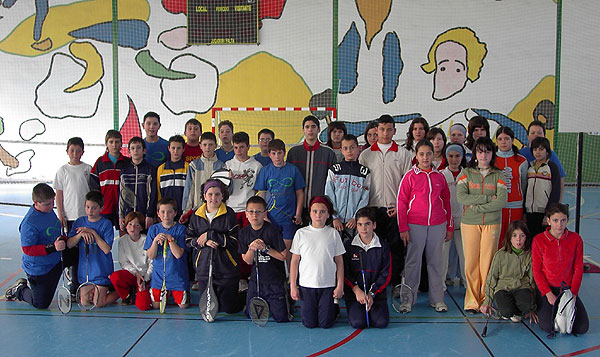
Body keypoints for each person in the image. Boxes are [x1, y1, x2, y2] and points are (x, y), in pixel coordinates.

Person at [396, 140, 453, 313]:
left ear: (433, 154)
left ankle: (437, 299)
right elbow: (401, 202)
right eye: (422, 154)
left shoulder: (440, 176)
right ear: (416, 155)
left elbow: (447, 203)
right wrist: (403, 228)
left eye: (429, 153)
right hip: (415, 225)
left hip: (437, 225)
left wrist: (449, 227)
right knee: (412, 263)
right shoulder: (409, 176)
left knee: (435, 263)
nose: (425, 157)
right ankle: (407, 300)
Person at [359, 114, 412, 285]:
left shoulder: (404, 154)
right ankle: (375, 283)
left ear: (394, 131)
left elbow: (408, 185)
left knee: (396, 249)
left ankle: (396, 282)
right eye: (382, 129)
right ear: (376, 130)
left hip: (395, 209)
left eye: (389, 129)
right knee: (374, 249)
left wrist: (400, 206)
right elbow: (361, 184)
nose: (385, 133)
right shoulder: (366, 155)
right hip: (373, 210)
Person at [457, 137, 507, 314]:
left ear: (492, 154)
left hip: (492, 224)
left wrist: (476, 206)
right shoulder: (466, 173)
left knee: (488, 262)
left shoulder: (499, 175)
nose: (483, 154)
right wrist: (487, 199)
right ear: (475, 154)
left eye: (487, 151)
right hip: (470, 224)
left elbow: (501, 201)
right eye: (480, 151)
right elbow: (462, 197)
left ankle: (486, 300)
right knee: (471, 262)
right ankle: (471, 301)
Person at [186, 180, 244, 314]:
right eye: (210, 194)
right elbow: (188, 240)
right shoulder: (196, 216)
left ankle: (245, 294)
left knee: (227, 309)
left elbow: (235, 240)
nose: (214, 198)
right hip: (204, 269)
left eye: (217, 194)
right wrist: (203, 242)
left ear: (223, 196)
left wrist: (211, 235)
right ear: (204, 196)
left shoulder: (229, 214)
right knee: (210, 308)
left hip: (227, 269)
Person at [5, 184, 65, 309]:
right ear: (36, 202)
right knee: (41, 304)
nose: (51, 206)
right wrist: (53, 247)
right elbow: (28, 249)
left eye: (52, 202)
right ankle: (20, 290)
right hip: (38, 269)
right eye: (47, 204)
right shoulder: (30, 223)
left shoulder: (48, 211)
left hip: (54, 263)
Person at [289, 196, 345, 328]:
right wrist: (293, 286)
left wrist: (339, 285)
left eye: (322, 211)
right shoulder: (301, 233)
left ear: (328, 214)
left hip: (327, 285)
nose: (318, 215)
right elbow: (294, 262)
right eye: (315, 211)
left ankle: (333, 309)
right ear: (309, 213)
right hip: (307, 285)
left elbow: (339, 262)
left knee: (325, 324)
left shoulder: (333, 234)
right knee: (309, 324)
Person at [532, 203, 588, 334]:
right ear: (548, 220)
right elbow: (537, 270)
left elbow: (578, 269)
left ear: (567, 220)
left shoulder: (576, 239)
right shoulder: (539, 240)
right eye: (555, 220)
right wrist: (548, 294)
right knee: (548, 326)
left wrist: (573, 294)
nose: (559, 224)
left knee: (582, 328)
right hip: (548, 290)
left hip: (567, 290)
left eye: (563, 220)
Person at [238, 196, 290, 322]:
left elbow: (283, 256)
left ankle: (288, 301)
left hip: (275, 281)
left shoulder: (272, 231)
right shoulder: (244, 233)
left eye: (258, 211)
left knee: (281, 318)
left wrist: (266, 249)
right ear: (246, 214)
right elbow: (247, 260)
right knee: (251, 315)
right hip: (256, 281)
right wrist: (251, 248)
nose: (254, 215)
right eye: (251, 211)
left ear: (264, 213)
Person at [254, 139, 305, 266]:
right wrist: (263, 215)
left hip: (288, 219)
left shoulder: (293, 170)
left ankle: (289, 279)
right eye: (273, 153)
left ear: (284, 153)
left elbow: (300, 193)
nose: (277, 156)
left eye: (279, 153)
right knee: (271, 250)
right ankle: (276, 276)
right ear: (269, 154)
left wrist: (298, 214)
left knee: (287, 252)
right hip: (270, 218)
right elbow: (261, 194)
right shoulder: (265, 171)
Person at [53, 137, 91, 297]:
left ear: (83, 152)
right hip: (69, 218)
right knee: (72, 252)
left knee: (86, 252)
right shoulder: (62, 170)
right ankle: (73, 284)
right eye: (72, 150)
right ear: (67, 151)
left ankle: (86, 282)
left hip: (85, 217)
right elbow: (59, 195)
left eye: (78, 150)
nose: (75, 153)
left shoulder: (88, 169)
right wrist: (61, 214)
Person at [67, 190, 117, 308]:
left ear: (101, 208)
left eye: (94, 208)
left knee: (98, 303)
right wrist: (80, 235)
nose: (90, 211)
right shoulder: (80, 222)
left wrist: (93, 233)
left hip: (101, 271)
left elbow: (106, 249)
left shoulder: (106, 224)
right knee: (84, 303)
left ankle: (123, 292)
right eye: (88, 207)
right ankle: (100, 292)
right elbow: (69, 244)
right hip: (85, 272)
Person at [343, 207, 391, 329]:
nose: (363, 228)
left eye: (367, 224)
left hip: (376, 295)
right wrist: (356, 290)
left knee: (381, 323)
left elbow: (386, 274)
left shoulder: (383, 246)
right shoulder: (348, 246)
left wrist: (372, 293)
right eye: (360, 224)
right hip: (356, 294)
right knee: (358, 323)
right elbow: (345, 272)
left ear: (374, 225)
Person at [480, 221, 536, 323]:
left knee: (527, 305)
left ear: (526, 237)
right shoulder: (500, 255)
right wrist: (487, 301)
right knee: (506, 311)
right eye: (514, 236)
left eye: (522, 236)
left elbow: (532, 278)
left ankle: (518, 311)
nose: (518, 239)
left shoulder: (529, 255)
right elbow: (492, 278)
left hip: (522, 287)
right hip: (503, 288)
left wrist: (532, 307)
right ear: (509, 237)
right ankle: (506, 310)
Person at [287, 115, 336, 222]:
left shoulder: (328, 152)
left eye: (313, 127)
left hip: (320, 207)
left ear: (318, 129)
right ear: (303, 130)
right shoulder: (294, 152)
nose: (310, 130)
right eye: (307, 127)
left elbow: (333, 181)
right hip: (297, 206)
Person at [145, 197, 190, 309]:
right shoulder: (153, 230)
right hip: (159, 277)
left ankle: (177, 291)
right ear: (158, 214)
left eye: (169, 212)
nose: (166, 215)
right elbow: (151, 255)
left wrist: (171, 240)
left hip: (177, 277)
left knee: (183, 306)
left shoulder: (181, 229)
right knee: (156, 306)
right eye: (163, 212)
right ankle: (164, 292)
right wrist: (155, 241)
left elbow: (178, 254)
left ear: (175, 213)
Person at [324, 134, 370, 239]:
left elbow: (365, 197)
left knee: (352, 250)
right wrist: (334, 217)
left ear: (358, 149)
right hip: (336, 221)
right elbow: (329, 194)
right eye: (345, 148)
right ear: (341, 150)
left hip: (354, 221)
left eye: (352, 147)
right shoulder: (334, 170)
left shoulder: (365, 172)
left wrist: (356, 217)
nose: (349, 151)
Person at [109, 211, 153, 310]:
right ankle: (127, 294)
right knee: (115, 277)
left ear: (141, 228)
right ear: (126, 225)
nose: (133, 228)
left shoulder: (147, 240)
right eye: (130, 224)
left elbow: (152, 262)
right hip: (132, 274)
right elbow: (124, 262)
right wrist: (135, 273)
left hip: (145, 276)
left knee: (143, 306)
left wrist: (144, 279)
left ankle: (139, 291)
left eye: (137, 225)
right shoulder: (122, 241)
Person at [90, 130, 130, 228]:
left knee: (123, 234)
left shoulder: (127, 162)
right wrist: (99, 204)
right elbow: (94, 185)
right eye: (111, 142)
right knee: (103, 236)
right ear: (106, 144)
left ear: (121, 143)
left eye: (117, 142)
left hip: (122, 208)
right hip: (105, 209)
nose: (114, 145)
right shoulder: (100, 162)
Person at [495, 127, 528, 247]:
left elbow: (524, 184)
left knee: (515, 237)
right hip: (498, 207)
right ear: (496, 141)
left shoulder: (521, 161)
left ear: (512, 140)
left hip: (516, 206)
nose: (503, 142)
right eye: (500, 139)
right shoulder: (491, 159)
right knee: (498, 238)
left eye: (507, 139)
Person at [440, 144, 467, 288]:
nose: (454, 159)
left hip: (464, 222)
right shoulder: (441, 175)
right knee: (442, 256)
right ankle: (440, 286)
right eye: (451, 156)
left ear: (462, 157)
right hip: (445, 222)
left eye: (457, 156)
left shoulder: (468, 175)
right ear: (446, 157)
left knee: (465, 256)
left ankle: (468, 285)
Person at [118, 137, 158, 232]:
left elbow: (152, 194)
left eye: (138, 148)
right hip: (128, 216)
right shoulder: (124, 171)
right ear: (128, 151)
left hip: (144, 216)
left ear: (144, 151)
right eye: (132, 148)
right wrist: (121, 216)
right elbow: (121, 195)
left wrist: (149, 214)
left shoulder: (150, 170)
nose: (135, 151)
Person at [520, 120, 566, 201]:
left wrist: (559, 202)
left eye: (539, 133)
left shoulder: (551, 155)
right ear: (527, 136)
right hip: (525, 202)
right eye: (532, 133)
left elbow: (560, 178)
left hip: (544, 202)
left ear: (544, 136)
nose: (536, 135)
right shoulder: (520, 154)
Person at [182, 131, 225, 217]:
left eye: (211, 145)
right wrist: (186, 210)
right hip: (198, 208)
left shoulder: (222, 166)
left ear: (216, 146)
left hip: (217, 209)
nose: (207, 148)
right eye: (205, 145)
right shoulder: (194, 165)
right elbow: (189, 189)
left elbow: (224, 189)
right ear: (200, 146)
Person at [525, 137, 561, 237]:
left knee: (544, 240)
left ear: (547, 151)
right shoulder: (530, 167)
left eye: (541, 149)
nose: (538, 152)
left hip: (544, 212)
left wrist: (549, 213)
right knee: (532, 240)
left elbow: (555, 191)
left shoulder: (552, 167)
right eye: (535, 149)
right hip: (530, 211)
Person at [225, 131, 263, 228]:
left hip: (249, 210)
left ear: (248, 147)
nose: (238, 151)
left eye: (241, 147)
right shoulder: (228, 165)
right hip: (231, 208)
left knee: (247, 239)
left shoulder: (257, 166)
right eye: (235, 147)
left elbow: (260, 190)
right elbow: (222, 189)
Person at [156, 135, 189, 220]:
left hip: (183, 213)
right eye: (173, 148)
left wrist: (187, 211)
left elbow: (190, 192)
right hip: (166, 215)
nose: (175, 151)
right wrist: (160, 211)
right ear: (169, 148)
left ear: (183, 149)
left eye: (179, 148)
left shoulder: (188, 167)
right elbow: (159, 192)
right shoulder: (161, 169)